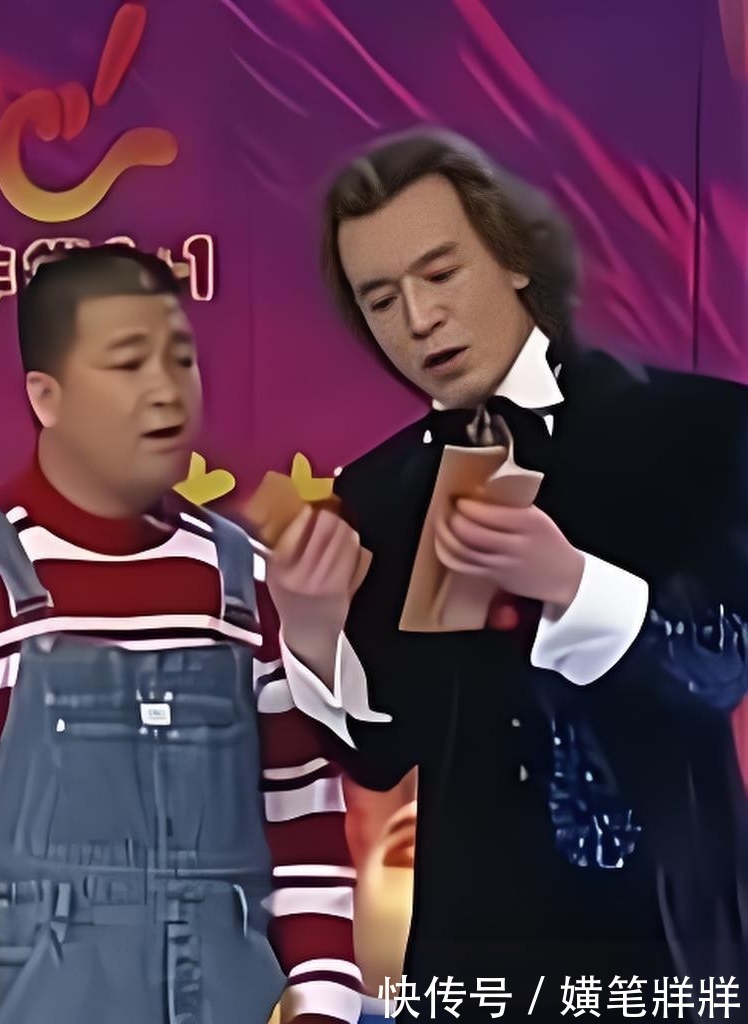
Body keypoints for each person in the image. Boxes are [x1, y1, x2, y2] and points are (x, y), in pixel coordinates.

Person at [289, 129, 748, 1017]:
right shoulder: (376, 491)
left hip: (667, 951)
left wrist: (571, 581)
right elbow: (385, 754)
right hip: (473, 968)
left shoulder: (701, 428)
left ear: (514, 258)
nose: (417, 319)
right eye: (380, 299)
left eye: (440, 274)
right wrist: (312, 635)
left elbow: (721, 664)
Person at [0, 245, 369, 1024]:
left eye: (181, 359)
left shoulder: (248, 583)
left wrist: (324, 1008)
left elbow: (307, 840)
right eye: (128, 364)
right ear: (46, 397)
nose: (166, 390)